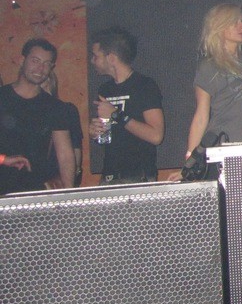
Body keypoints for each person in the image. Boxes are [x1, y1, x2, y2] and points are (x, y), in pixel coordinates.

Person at [186, 4, 242, 162]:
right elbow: (201, 116)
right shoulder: (210, 66)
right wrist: (190, 160)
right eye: (234, 22)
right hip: (222, 147)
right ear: (219, 27)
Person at [88, 27, 164, 184]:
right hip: (109, 176)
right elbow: (105, 138)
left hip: (139, 177)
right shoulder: (105, 90)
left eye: (96, 56)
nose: (92, 60)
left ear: (111, 58)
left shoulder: (144, 86)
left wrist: (116, 114)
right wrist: (96, 132)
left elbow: (156, 136)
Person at [0, 39, 75, 194]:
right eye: (35, 61)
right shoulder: (3, 97)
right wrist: (3, 159)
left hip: (34, 191)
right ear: (22, 60)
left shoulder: (55, 107)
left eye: (47, 64)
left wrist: (68, 195)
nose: (40, 68)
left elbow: (65, 155)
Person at [40, 70, 84, 186]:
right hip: (35, 179)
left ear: (49, 81)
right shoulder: (27, 112)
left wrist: (74, 174)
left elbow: (76, 148)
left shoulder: (66, 109)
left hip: (59, 177)